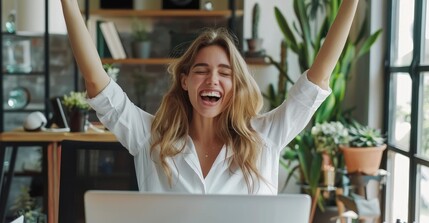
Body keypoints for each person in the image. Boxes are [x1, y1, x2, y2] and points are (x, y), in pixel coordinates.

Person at [60, 0, 360, 194]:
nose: (212, 80)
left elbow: (317, 80)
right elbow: (97, 81)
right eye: (201, 70)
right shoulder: (150, 138)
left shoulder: (265, 137)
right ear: (185, 81)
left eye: (225, 73)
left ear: (237, 84)